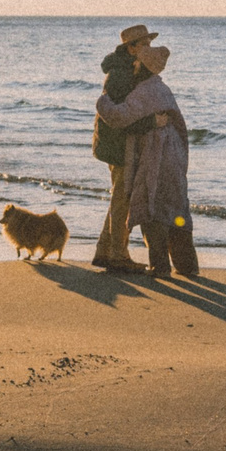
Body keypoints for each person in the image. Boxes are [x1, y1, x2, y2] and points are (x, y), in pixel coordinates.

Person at [94, 40, 197, 278]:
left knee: (152, 208)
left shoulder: (144, 89)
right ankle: (186, 265)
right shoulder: (160, 87)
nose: (138, 61)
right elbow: (180, 126)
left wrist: (102, 102)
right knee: (176, 207)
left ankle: (159, 267)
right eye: (143, 47)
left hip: (155, 155)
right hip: (172, 155)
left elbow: (119, 116)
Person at [91, 25, 161, 272]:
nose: (148, 48)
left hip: (115, 142)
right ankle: (118, 256)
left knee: (119, 198)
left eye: (149, 44)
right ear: (131, 48)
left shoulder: (127, 69)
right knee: (122, 200)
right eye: (144, 44)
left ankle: (104, 250)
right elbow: (122, 116)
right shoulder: (121, 74)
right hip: (117, 144)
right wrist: (152, 122)